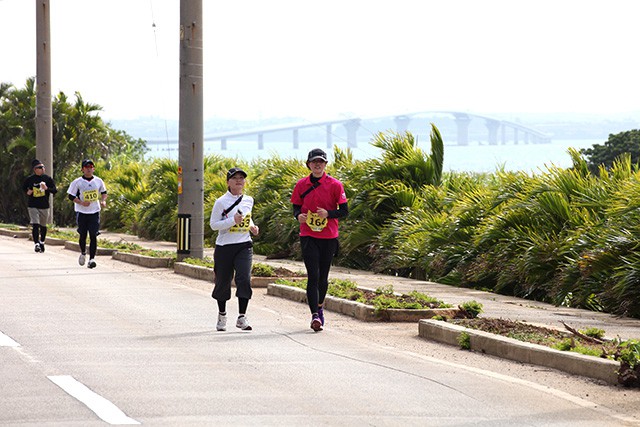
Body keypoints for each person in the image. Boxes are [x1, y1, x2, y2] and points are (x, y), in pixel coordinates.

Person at [291, 148, 348, 332]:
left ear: (325, 164)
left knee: (323, 276)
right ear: (308, 164)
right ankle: (315, 315)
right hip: (308, 235)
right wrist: (298, 216)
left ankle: (320, 307)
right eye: (314, 162)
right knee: (313, 276)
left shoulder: (335, 185)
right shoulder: (301, 184)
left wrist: (328, 214)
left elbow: (344, 211)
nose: (317, 164)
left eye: (321, 162)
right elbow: (295, 207)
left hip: (329, 236)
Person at [209, 167, 259, 331]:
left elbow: (246, 218)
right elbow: (214, 225)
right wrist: (232, 221)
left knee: (244, 279)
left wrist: (252, 227)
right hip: (225, 247)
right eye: (235, 178)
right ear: (228, 182)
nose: (239, 180)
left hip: (244, 245)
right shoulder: (221, 202)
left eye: (241, 178)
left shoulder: (249, 200)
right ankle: (222, 314)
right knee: (223, 281)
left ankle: (242, 317)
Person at [66, 159, 107, 269]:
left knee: (93, 234)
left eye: (91, 167)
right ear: (82, 169)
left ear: (93, 168)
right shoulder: (77, 182)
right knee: (83, 235)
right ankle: (83, 252)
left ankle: (92, 259)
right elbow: (70, 196)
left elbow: (104, 193)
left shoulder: (98, 181)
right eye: (86, 167)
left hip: (94, 212)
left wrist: (103, 201)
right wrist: (81, 202)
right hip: (82, 212)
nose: (89, 169)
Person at [23, 159, 58, 253]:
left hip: (44, 205)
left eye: (43, 167)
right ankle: (36, 244)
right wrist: (28, 192)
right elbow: (23, 189)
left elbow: (54, 190)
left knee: (43, 226)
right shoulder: (30, 179)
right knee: (35, 224)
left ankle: (42, 241)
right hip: (33, 205)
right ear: (35, 169)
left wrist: (46, 188)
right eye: (40, 167)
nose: (42, 169)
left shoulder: (47, 179)